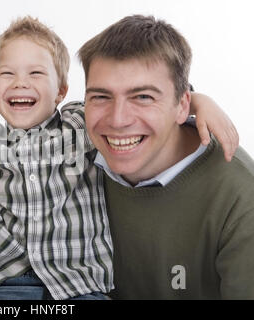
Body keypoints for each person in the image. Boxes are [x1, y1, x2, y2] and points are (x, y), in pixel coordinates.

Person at [0, 17, 240, 300]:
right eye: (7, 74)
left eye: (36, 73)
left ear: (62, 90)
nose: (20, 83)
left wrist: (197, 101)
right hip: (4, 280)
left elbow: (140, 108)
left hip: (80, 284)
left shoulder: (81, 123)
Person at [79, 15, 254, 299]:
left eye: (143, 97)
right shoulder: (68, 157)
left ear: (182, 105)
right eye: (100, 97)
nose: (118, 120)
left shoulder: (240, 198)